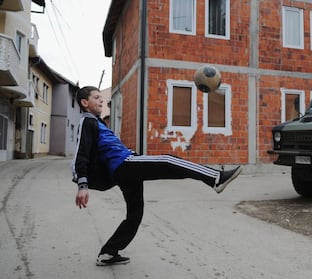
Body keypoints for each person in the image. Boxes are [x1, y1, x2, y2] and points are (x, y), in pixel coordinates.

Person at [71, 86, 242, 266]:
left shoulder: (98, 122)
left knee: (135, 215)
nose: (101, 100)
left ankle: (108, 252)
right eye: (96, 97)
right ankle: (215, 178)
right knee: (167, 161)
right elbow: (81, 154)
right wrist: (83, 185)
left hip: (124, 167)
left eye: (101, 97)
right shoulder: (87, 121)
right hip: (123, 164)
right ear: (84, 103)